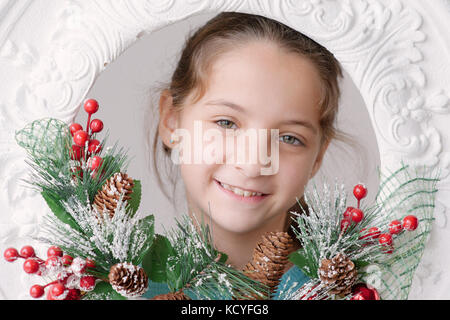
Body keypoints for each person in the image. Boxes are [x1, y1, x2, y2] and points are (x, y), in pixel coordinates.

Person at [144, 11, 346, 299]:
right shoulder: (118, 285)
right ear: (171, 121)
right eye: (226, 123)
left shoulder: (348, 290)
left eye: (289, 138)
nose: (252, 165)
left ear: (317, 157)